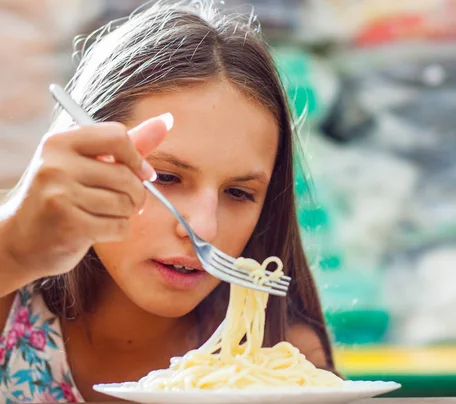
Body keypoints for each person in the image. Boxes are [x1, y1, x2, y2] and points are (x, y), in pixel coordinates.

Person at [0, 1, 336, 401]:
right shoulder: (8, 298)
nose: (203, 228)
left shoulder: (283, 361)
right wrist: (14, 252)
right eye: (165, 178)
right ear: (88, 158)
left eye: (238, 192)